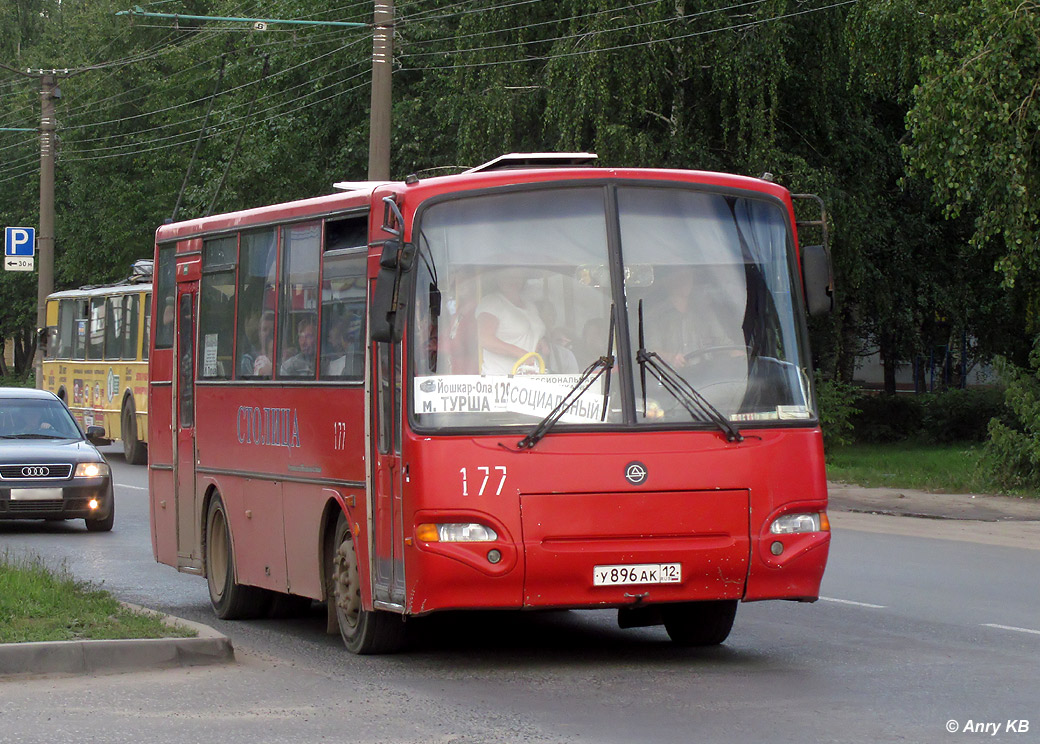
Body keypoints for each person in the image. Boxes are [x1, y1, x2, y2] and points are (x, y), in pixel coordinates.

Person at [476, 269, 546, 375]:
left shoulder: (530, 306)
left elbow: (531, 334)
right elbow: (485, 339)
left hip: (530, 376)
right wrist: (522, 354)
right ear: (497, 279)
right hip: (500, 380)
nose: (513, 280)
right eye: (507, 276)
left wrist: (540, 341)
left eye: (517, 276)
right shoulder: (491, 302)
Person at [241, 310, 275, 377]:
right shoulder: (248, 360)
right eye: (264, 329)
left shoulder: (282, 358)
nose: (268, 333)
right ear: (259, 332)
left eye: (272, 330)